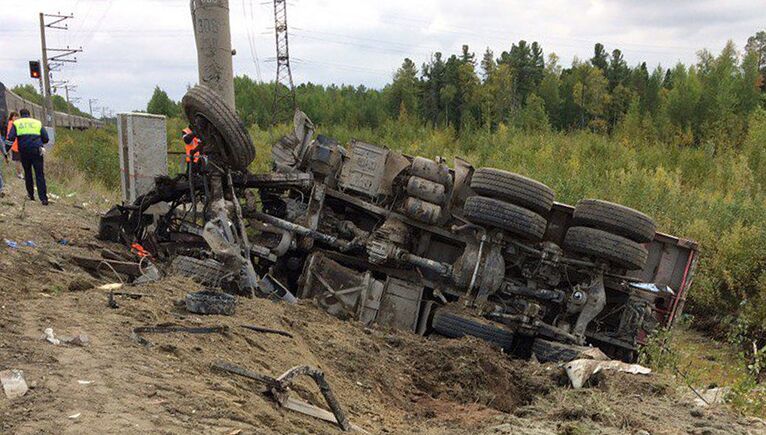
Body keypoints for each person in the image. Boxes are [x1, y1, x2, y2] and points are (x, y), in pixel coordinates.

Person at [7, 109, 49, 205]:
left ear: (21, 115)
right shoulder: (37, 123)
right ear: (29, 115)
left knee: (28, 172)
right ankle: (43, 198)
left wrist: (5, 151)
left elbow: (11, 138)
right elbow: (46, 138)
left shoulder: (17, 123)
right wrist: (39, 143)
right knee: (39, 174)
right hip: (37, 150)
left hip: (24, 151)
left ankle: (31, 195)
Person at [5, 112, 22, 179]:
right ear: (11, 117)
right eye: (14, 116)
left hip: (18, 145)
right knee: (17, 160)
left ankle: (20, 173)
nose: (16, 118)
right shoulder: (12, 124)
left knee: (18, 160)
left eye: (17, 116)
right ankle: (19, 174)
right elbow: (10, 135)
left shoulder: (13, 123)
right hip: (15, 145)